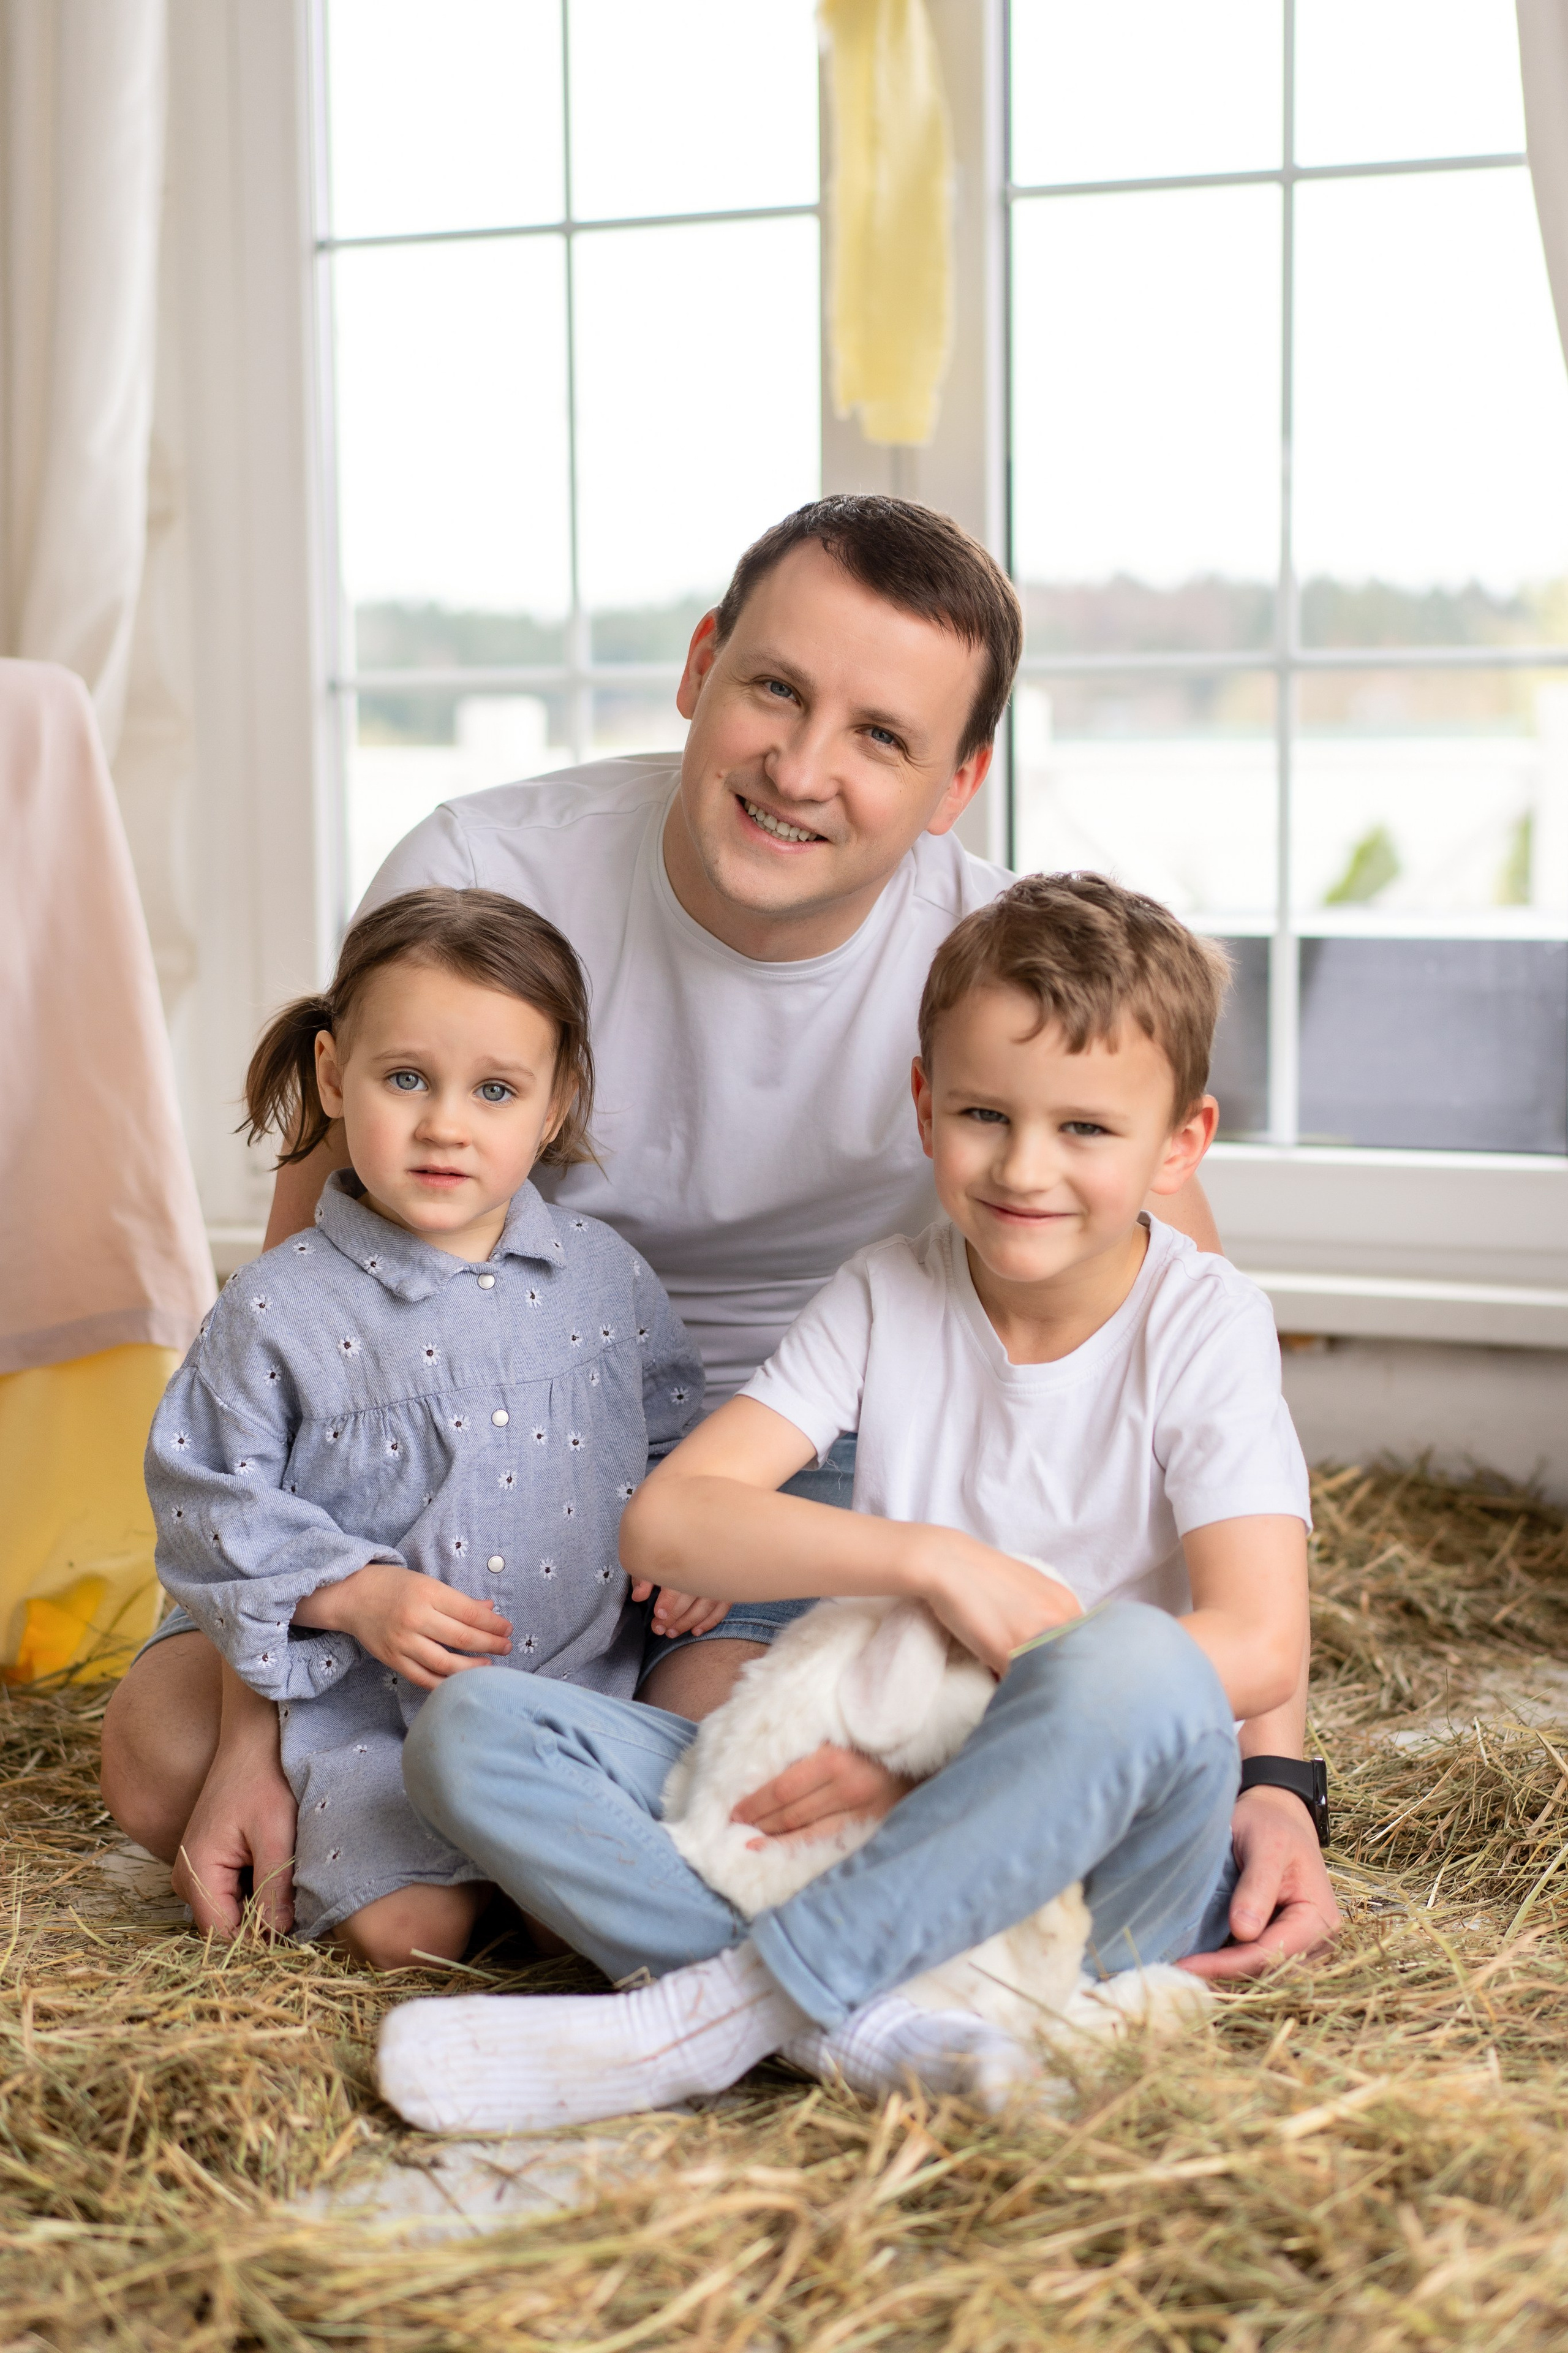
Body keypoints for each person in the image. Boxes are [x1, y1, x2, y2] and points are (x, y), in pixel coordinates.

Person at [102, 494, 1336, 1977]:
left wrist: (1274, 1781)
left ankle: (614, 1909)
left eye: (881, 736)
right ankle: (663, 1893)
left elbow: (1178, 1338)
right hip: (448, 1454)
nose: (801, 768)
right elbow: (319, 1332)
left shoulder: (1002, 982)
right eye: (774, 689)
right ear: (700, 666)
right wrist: (268, 1719)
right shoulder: (483, 874)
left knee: (729, 1774)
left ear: (958, 781)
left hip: (779, 1492)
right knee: (156, 1760)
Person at [374, 872, 1313, 2130]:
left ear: (1179, 1143)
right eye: (984, 1112)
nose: (1024, 1167)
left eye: (1084, 1130)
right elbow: (669, 1521)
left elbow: (1255, 1642)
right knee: (472, 1729)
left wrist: (947, 1781)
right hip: (863, 1767)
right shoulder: (887, 1290)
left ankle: (720, 2014)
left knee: (1131, 1657)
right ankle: (875, 2034)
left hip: (1095, 1869)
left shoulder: (1203, 1322)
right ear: (925, 1107)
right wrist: (926, 1562)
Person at [143, 887, 708, 1965]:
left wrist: (694, 1542)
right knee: (408, 1939)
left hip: (579, 1688)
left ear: (555, 1102)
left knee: (586, 1922)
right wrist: (353, 1592)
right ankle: (447, 1881)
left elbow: (677, 1429)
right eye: (406, 1079)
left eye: (495, 1089)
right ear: (330, 1075)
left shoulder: (603, 1274)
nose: (446, 1123)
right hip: (371, 1712)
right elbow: (207, 1499)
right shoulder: (274, 1308)